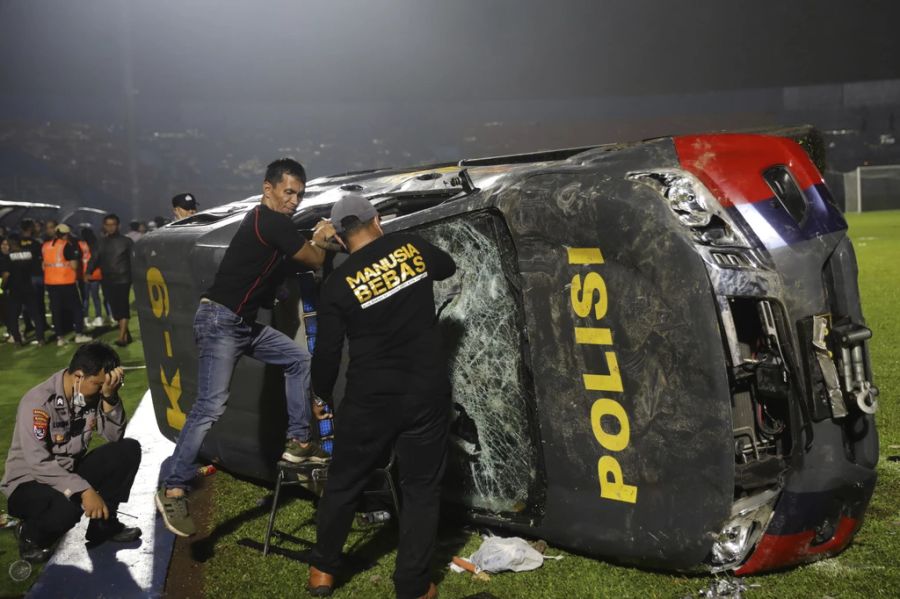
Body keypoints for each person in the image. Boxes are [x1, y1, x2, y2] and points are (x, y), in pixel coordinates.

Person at [155, 158, 335, 538]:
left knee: (298, 360)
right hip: (221, 322)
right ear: (267, 189)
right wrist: (319, 239)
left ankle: (300, 442)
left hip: (239, 324)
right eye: (288, 192)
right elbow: (315, 258)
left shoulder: (268, 225)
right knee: (210, 406)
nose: (294, 201)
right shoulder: (270, 222)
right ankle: (173, 487)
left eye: (299, 195)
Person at [307, 194, 455, 599]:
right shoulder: (409, 247)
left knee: (344, 481)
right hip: (424, 392)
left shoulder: (337, 285)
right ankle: (412, 585)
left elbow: (327, 352)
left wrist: (322, 394)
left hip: (370, 399)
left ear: (338, 236)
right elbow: (447, 267)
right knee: (421, 488)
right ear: (377, 219)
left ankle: (322, 570)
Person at [1, 342, 141, 563]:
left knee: (127, 450)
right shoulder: (37, 402)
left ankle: (103, 525)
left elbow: (114, 438)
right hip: (28, 483)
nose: (102, 389)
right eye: (99, 384)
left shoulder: (91, 394)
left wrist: (110, 397)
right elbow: (39, 464)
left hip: (68, 473)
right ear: (78, 376)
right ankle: (29, 535)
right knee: (70, 505)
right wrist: (84, 490)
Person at [87, 214, 133, 346]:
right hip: (107, 280)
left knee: (123, 306)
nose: (110, 227)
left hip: (123, 279)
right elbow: (94, 259)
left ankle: (121, 337)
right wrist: (88, 272)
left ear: (118, 225)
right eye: (108, 224)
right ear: (104, 226)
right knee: (115, 309)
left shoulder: (127, 241)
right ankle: (125, 334)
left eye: (113, 224)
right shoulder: (100, 243)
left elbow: (134, 259)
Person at [42, 224, 91, 346]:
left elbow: (43, 265)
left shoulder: (45, 246)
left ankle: (60, 337)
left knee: (56, 310)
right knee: (76, 308)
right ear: (66, 234)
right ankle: (79, 334)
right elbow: (74, 266)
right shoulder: (66, 246)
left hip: (50, 282)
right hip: (66, 281)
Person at [2, 236, 47, 345]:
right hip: (29, 288)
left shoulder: (8, 257)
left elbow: (6, 275)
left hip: (15, 290)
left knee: (13, 316)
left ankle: (17, 340)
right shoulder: (28, 254)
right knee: (36, 314)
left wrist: (3, 286)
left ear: (11, 244)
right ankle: (40, 338)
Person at [19, 218, 50, 336]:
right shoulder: (36, 243)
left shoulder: (17, 243)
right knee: (39, 301)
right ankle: (42, 324)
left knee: (26, 303)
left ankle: (28, 325)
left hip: (23, 277)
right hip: (37, 275)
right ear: (31, 228)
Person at [79, 226, 105, 328]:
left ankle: (85, 318)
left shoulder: (80, 245)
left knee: (85, 298)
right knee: (96, 297)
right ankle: (98, 317)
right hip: (96, 274)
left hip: (84, 274)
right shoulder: (96, 244)